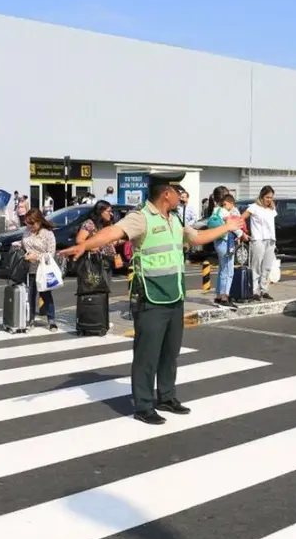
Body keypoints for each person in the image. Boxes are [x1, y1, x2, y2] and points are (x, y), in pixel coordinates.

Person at [59, 172, 242, 425]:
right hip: (151, 296)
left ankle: (166, 396)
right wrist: (86, 245)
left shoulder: (174, 218)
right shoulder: (141, 217)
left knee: (170, 352)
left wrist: (228, 227)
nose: (181, 196)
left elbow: (197, 238)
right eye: (177, 191)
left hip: (174, 295)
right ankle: (143, 405)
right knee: (147, 354)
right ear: (166, 194)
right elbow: (114, 231)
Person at [16, 208, 58, 330]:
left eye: (32, 223)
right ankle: (31, 318)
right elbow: (24, 244)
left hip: (43, 268)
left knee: (45, 294)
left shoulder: (48, 234)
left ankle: (51, 320)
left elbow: (51, 254)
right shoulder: (27, 232)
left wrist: (37, 256)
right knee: (30, 295)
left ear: (39, 221)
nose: (30, 226)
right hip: (28, 267)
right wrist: (18, 245)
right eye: (27, 223)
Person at [240, 186, 278, 301]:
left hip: (270, 240)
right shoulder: (254, 207)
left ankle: (264, 289)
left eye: (271, 198)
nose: (269, 200)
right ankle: (254, 290)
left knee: (267, 267)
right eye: (267, 197)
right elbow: (242, 218)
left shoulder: (271, 209)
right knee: (256, 266)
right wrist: (243, 232)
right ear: (261, 196)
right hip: (258, 239)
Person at [210, 194, 247, 307]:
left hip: (217, 242)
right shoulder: (225, 212)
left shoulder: (215, 210)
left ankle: (218, 295)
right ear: (230, 203)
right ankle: (225, 297)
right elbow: (232, 226)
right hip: (225, 243)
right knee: (229, 270)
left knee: (222, 269)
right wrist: (242, 234)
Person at [76, 200, 119, 288]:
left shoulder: (107, 224)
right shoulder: (89, 224)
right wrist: (91, 247)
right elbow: (79, 240)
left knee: (106, 288)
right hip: (95, 261)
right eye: (109, 211)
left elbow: (111, 242)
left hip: (108, 261)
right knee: (97, 288)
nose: (111, 214)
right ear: (101, 211)